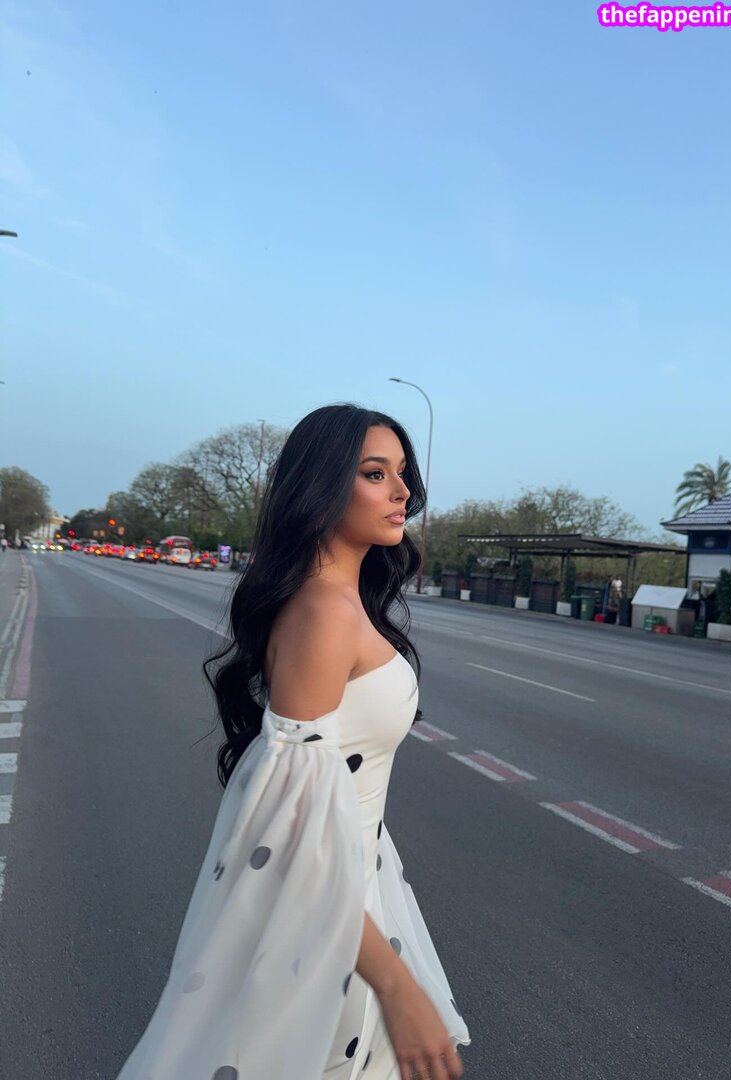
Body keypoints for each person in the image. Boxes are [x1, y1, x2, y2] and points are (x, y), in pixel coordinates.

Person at [116, 404, 470, 1080]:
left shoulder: (343, 602)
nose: (403, 492)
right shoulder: (324, 612)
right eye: (376, 474)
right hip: (330, 926)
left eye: (402, 473)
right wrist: (397, 989)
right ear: (321, 488)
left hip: (356, 903)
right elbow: (294, 831)